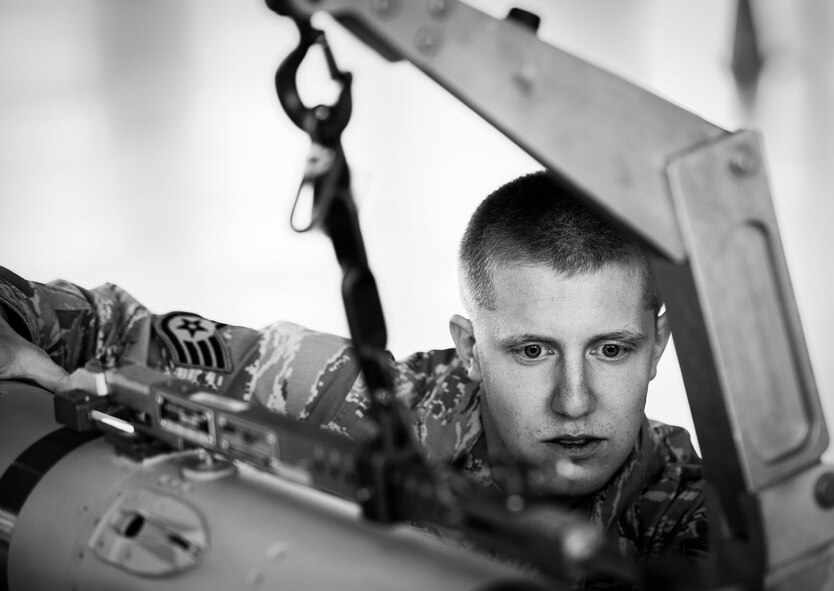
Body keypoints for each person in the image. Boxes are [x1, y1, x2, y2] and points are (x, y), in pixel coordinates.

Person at [0, 171, 707, 567]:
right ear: (467, 347)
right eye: (532, 350)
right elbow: (97, 322)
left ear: (659, 343)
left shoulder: (696, 516)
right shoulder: (363, 402)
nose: (575, 400)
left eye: (611, 349)